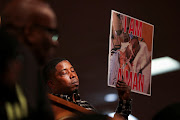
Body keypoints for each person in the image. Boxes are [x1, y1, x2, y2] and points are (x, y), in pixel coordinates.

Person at [0, 0, 59, 119]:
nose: (55, 43)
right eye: (52, 33)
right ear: (30, 32)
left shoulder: (32, 70)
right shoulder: (24, 61)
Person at [43, 58, 132, 120]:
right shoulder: (47, 106)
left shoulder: (86, 107)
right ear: (51, 83)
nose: (72, 75)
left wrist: (124, 100)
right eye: (64, 72)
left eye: (73, 71)